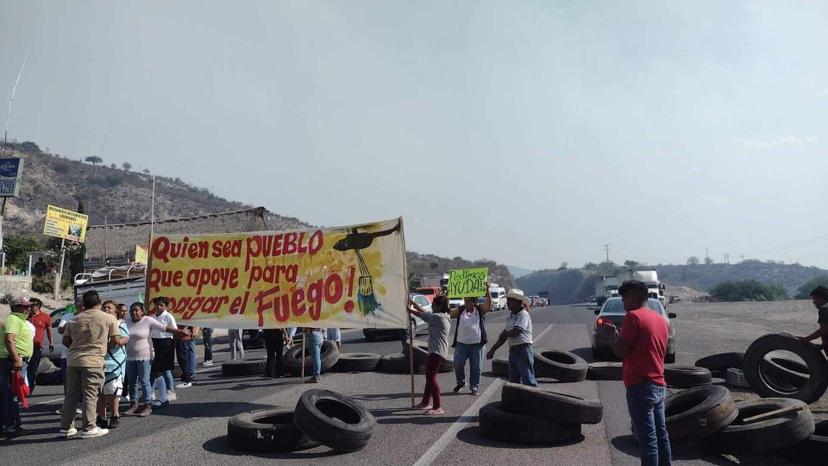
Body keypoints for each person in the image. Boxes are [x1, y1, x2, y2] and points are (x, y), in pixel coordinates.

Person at [602, 280, 671, 466]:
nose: (623, 304)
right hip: (658, 383)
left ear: (632, 298)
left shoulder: (633, 317)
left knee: (647, 438)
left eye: (624, 299)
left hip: (640, 384)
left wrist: (612, 338)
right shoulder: (661, 320)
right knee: (661, 434)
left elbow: (620, 351)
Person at [59, 290, 121, 439]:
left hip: (73, 361)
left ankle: (66, 427)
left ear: (84, 304)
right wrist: (107, 345)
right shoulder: (109, 318)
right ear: (99, 302)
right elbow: (116, 340)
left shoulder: (74, 319)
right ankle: (89, 427)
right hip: (93, 361)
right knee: (90, 395)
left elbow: (65, 341)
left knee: (71, 396)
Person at [123, 302, 187, 417]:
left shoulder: (148, 320)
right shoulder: (126, 322)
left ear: (142, 311)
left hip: (145, 356)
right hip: (130, 357)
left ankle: (147, 405)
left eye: (136, 310)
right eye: (131, 310)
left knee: (144, 380)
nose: (133, 312)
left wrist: (178, 332)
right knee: (132, 382)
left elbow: (163, 327)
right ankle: (133, 405)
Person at [408, 295, 451, 415]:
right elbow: (425, 313)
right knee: (429, 377)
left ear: (439, 306)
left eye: (433, 304)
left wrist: (409, 310)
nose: (431, 306)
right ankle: (425, 402)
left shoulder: (438, 317)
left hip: (437, 351)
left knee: (431, 378)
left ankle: (437, 407)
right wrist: (412, 303)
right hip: (435, 350)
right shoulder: (442, 315)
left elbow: (422, 315)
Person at [486, 289, 536, 386]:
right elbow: (503, 337)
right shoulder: (511, 316)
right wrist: (492, 349)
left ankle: (534, 399)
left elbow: (517, 331)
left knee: (528, 380)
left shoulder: (523, 315)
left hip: (523, 350)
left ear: (518, 302)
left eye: (510, 301)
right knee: (514, 381)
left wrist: (505, 333)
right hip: (513, 351)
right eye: (508, 300)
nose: (508, 303)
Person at [0, 297, 34, 437]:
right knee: (11, 394)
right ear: (16, 307)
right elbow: (9, 339)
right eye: (24, 306)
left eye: (29, 306)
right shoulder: (14, 319)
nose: (28, 308)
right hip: (11, 361)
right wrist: (16, 359)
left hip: (15, 360)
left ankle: (8, 424)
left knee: (11, 393)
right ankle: (12, 425)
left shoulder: (19, 320)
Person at [451, 288, 491, 396]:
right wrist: (445, 297)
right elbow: (448, 312)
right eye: (465, 301)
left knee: (476, 367)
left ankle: (474, 386)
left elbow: (488, 305)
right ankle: (461, 383)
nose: (466, 303)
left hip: (477, 344)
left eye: (468, 301)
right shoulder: (460, 310)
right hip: (461, 343)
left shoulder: (479, 309)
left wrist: (487, 290)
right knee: (458, 364)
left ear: (474, 302)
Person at [96, 301, 129, 429]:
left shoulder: (120, 324)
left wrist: (115, 342)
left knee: (112, 390)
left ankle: (115, 415)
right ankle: (101, 417)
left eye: (109, 308)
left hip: (115, 362)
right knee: (100, 392)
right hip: (99, 361)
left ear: (116, 311)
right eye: (104, 308)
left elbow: (125, 338)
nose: (106, 309)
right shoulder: (99, 324)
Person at [149, 297, 177, 406]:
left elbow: (174, 331)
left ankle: (170, 391)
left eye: (161, 305)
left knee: (165, 369)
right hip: (154, 343)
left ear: (165, 306)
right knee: (153, 369)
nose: (159, 307)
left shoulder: (168, 316)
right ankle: (150, 392)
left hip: (166, 343)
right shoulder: (152, 317)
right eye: (157, 305)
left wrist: (173, 346)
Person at [27, 298, 53, 394]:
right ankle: (24, 387)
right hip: (25, 346)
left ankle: (30, 387)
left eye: (32, 306)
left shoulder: (45, 317)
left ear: (37, 306)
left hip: (37, 346)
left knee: (32, 368)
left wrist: (51, 342)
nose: (30, 307)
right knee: (24, 367)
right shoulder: (26, 316)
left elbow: (49, 330)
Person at [798, 285, 828, 353]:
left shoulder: (824, 309)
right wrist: (823, 345)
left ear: (820, 298)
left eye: (814, 299)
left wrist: (806, 339)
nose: (813, 302)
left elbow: (824, 329)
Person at [175, 323, 196, 389]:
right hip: (182, 338)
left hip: (183, 338)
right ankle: (186, 378)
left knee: (183, 360)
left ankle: (187, 381)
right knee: (183, 359)